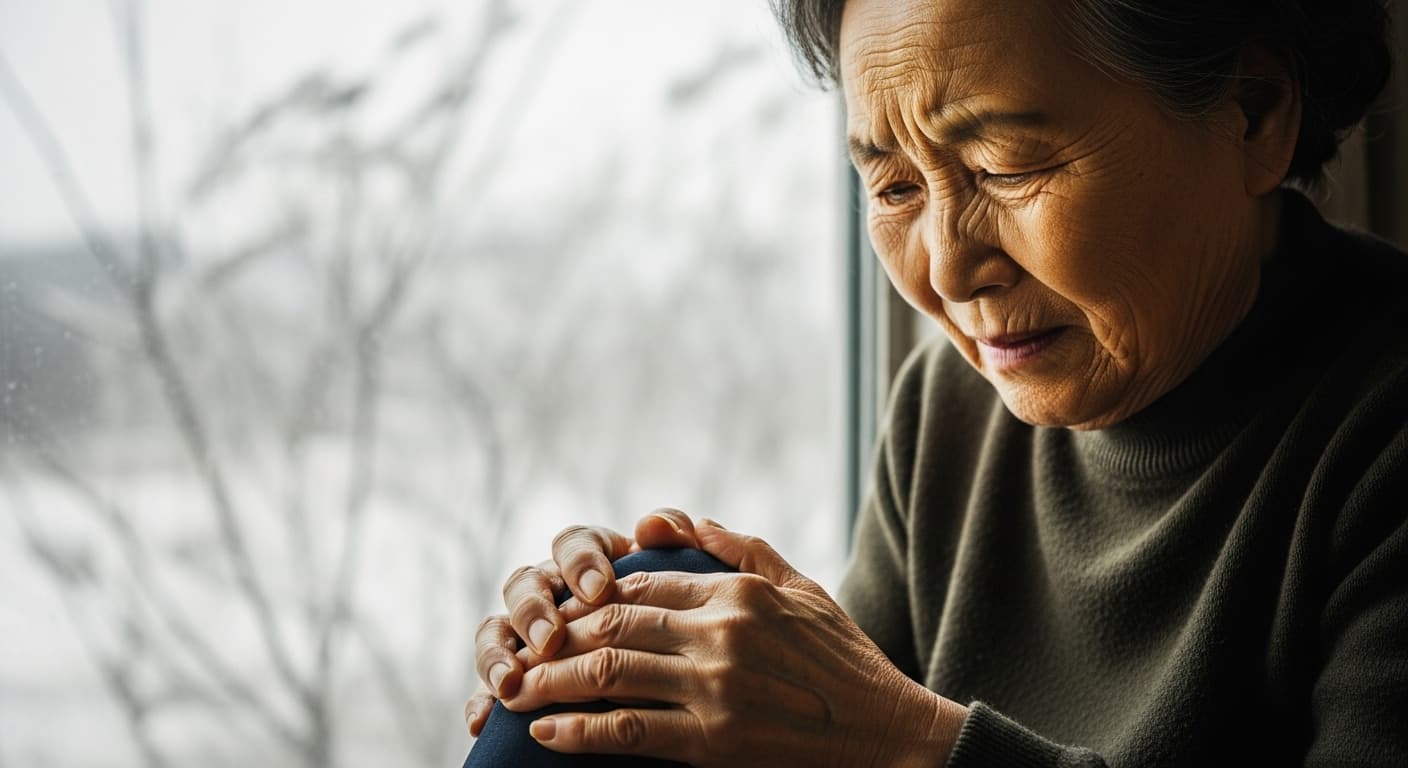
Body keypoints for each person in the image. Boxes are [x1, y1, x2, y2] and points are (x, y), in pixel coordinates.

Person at [465, 0, 1408, 764]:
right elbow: (833, 725)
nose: (949, 271)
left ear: (1253, 113)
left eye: (1006, 165)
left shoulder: (1378, 430)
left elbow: (880, 733)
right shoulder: (949, 410)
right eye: (895, 189)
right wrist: (625, 645)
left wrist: (908, 745)